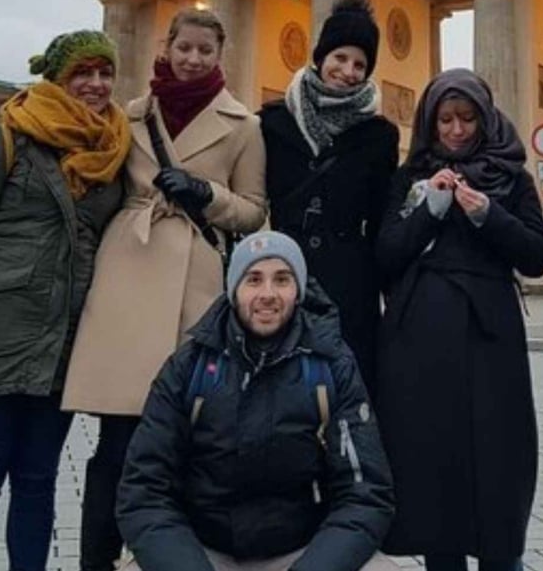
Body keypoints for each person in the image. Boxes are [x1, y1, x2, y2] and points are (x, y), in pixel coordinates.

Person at [64, 8, 268, 571]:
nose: (193, 59)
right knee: (116, 444)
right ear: (168, 47)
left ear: (219, 56)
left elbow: (254, 213)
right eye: (185, 48)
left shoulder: (244, 126)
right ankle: (97, 561)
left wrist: (206, 194)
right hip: (129, 270)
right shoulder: (129, 116)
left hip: (194, 283)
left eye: (205, 51)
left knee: (188, 441)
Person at [0, 30, 131, 571]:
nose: (95, 85)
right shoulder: (9, 137)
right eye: (82, 74)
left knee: (37, 482)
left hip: (63, 343)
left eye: (104, 73)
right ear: (58, 79)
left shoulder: (113, 147)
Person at [117, 231, 397, 571]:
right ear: (234, 290)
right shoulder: (189, 367)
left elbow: (365, 495)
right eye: (253, 280)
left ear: (299, 291)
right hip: (202, 551)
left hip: (302, 552)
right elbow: (144, 492)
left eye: (282, 279)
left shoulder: (330, 365)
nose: (268, 294)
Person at [375, 68, 543, 571]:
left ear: (485, 119)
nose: (455, 130)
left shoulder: (511, 178)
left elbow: (537, 255)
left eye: (467, 119)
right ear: (430, 123)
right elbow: (385, 256)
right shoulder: (410, 178)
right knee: (433, 470)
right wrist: (428, 208)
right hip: (418, 347)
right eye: (445, 120)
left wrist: (487, 214)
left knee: (499, 464)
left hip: (490, 341)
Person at [260, 0, 398, 393]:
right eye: (340, 57)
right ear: (320, 57)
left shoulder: (380, 136)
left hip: (350, 286)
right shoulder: (272, 122)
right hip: (284, 275)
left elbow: (380, 217)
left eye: (360, 64)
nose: (348, 71)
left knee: (346, 391)